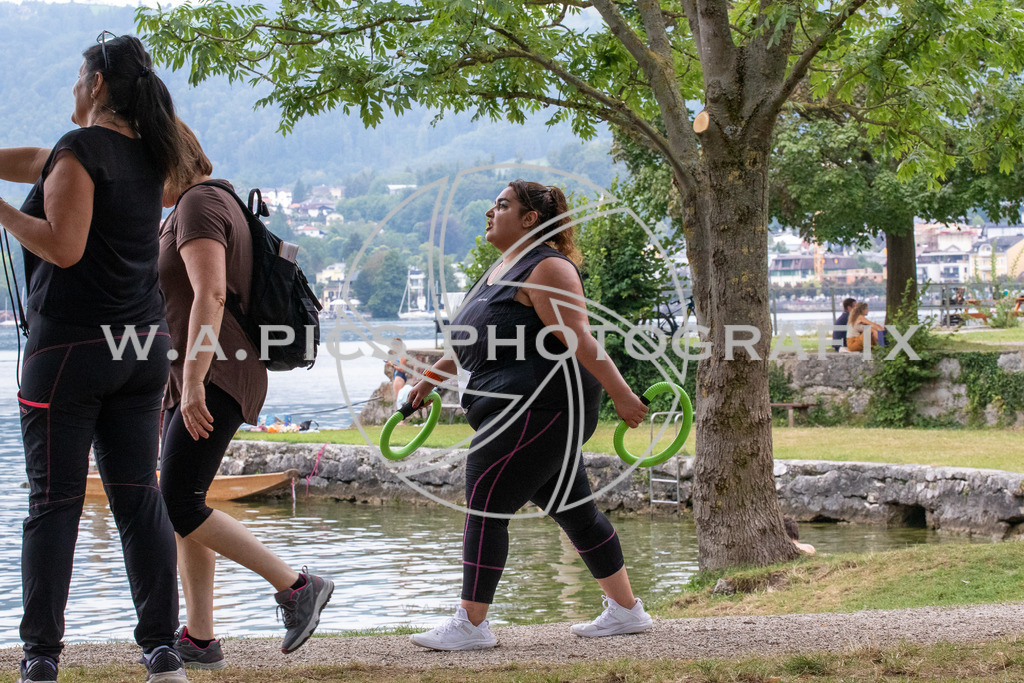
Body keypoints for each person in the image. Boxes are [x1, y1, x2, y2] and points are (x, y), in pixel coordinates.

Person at [0, 33, 190, 683]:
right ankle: (162, 648)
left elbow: (63, 246)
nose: (72, 91)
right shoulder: (148, 153)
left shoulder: (81, 149)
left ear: (97, 85)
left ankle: (42, 656)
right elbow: (40, 162)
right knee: (139, 498)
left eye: (77, 79)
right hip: (142, 349)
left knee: (54, 501)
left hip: (70, 351)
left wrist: (1, 212)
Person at [406, 180, 652, 651]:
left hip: (540, 407)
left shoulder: (548, 267)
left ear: (529, 219)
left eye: (501, 205)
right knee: (575, 509)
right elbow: (469, 343)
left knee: (483, 502)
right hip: (524, 409)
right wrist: (425, 381)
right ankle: (626, 611)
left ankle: (471, 625)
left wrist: (622, 396)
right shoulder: (499, 270)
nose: (489, 212)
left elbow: (580, 336)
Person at [157, 120, 333, 669]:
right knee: (186, 502)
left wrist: (191, 380)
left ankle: (297, 586)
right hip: (208, 370)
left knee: (178, 502)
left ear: (167, 160)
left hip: (214, 372)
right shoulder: (215, 200)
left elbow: (210, 293)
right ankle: (202, 639)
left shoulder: (197, 205)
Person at [386, 338, 409, 404]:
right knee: (398, 398)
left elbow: (402, 369)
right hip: (397, 376)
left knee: (399, 399)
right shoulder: (398, 354)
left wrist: (392, 365)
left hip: (400, 376)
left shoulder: (402, 355)